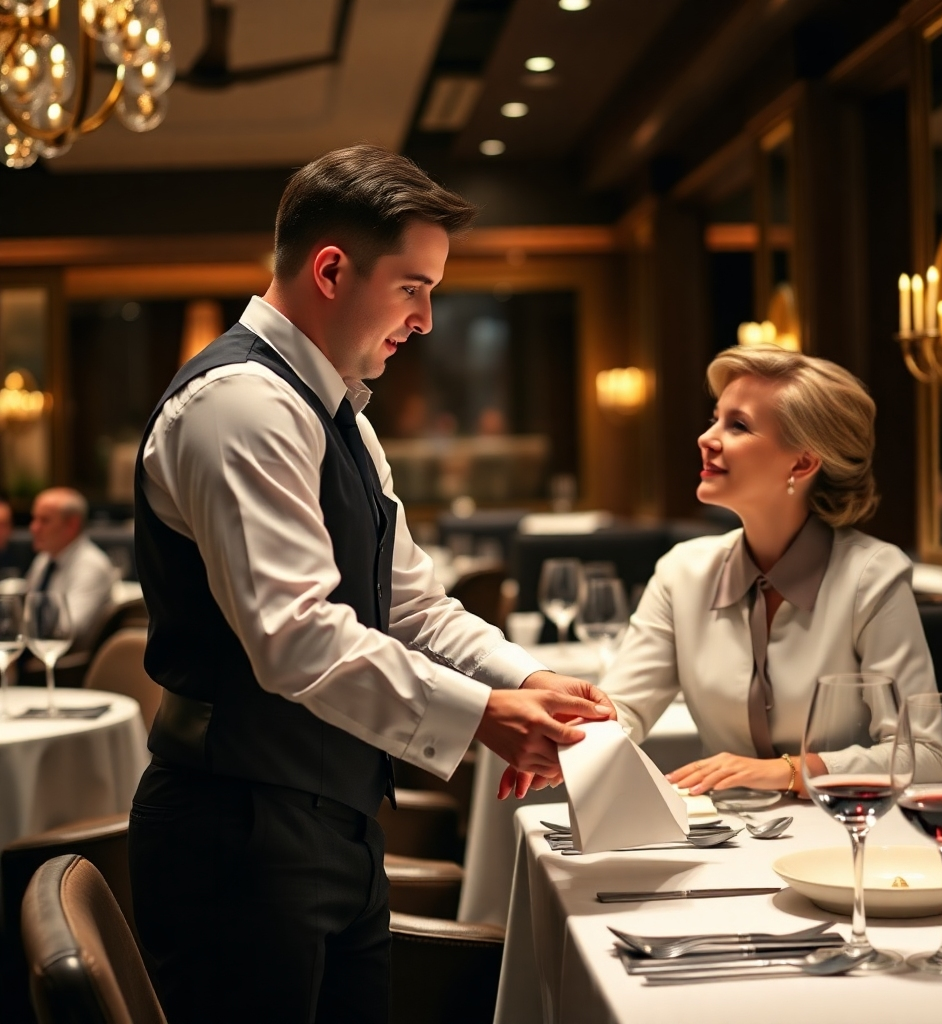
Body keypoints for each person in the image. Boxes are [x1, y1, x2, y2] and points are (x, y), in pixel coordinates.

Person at [128, 145, 612, 1024]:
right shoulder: (241, 404)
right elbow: (297, 638)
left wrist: (525, 681)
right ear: (330, 269)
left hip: (331, 819)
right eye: (413, 287)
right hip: (236, 832)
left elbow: (413, 604)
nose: (426, 319)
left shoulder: (337, 406)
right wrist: (483, 718)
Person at [599, 345, 942, 795]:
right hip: (725, 841)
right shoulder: (681, 573)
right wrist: (557, 727)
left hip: (848, 838)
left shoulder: (871, 577)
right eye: (715, 419)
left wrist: (789, 771)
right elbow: (620, 712)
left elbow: (924, 754)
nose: (707, 438)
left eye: (738, 425)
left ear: (802, 463)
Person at [24, 487, 115, 640]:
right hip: (36, 650)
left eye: (44, 520)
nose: (33, 528)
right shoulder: (44, 559)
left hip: (70, 660)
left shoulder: (91, 566)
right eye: (34, 519)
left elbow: (67, 630)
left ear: (72, 525)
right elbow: (27, 612)